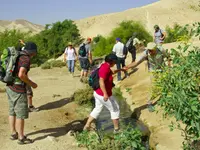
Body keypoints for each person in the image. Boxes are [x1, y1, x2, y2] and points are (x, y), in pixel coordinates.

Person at [124, 42, 171, 112]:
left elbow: (168, 57)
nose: (150, 52)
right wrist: (127, 67)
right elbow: (136, 62)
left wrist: (169, 66)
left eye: (151, 50)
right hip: (153, 71)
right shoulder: (145, 53)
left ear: (155, 49)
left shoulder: (161, 50)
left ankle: (166, 99)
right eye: (149, 50)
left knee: (165, 84)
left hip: (162, 69)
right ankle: (149, 103)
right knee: (153, 86)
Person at [6, 41, 38, 144]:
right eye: (34, 52)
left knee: (12, 111)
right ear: (32, 51)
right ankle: (21, 137)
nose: (34, 54)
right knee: (20, 114)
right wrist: (32, 84)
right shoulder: (25, 59)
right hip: (18, 89)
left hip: (9, 86)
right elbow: (21, 75)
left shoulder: (18, 54)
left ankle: (13, 133)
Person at [84, 54, 124, 133]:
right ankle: (117, 129)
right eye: (115, 62)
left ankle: (87, 125)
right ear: (112, 61)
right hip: (103, 94)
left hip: (98, 93)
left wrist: (121, 70)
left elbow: (111, 72)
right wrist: (105, 94)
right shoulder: (105, 68)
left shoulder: (105, 65)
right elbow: (101, 81)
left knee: (97, 109)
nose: (115, 63)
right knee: (115, 109)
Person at [19, 39, 38, 112]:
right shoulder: (26, 57)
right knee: (29, 92)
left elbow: (27, 46)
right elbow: (21, 74)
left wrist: (23, 43)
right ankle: (30, 107)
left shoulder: (20, 52)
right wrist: (32, 83)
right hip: (23, 76)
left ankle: (25, 107)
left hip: (16, 78)